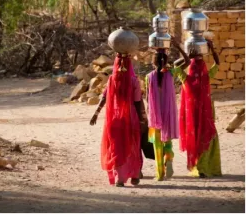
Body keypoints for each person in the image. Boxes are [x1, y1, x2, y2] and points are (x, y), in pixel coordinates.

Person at [90, 53, 143, 187]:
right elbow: (137, 102)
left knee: (117, 147)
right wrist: (142, 118)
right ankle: (134, 176)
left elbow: (104, 97)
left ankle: (120, 178)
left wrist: (96, 113)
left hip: (115, 119)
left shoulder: (112, 79)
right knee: (132, 146)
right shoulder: (134, 81)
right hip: (131, 118)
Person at [173, 39, 222, 178]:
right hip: (206, 115)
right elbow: (217, 63)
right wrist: (211, 48)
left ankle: (198, 167)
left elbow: (178, 67)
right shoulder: (206, 77)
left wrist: (184, 52)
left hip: (191, 118)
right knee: (208, 138)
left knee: (195, 140)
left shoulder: (185, 79)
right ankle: (205, 167)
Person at [145, 40, 188, 181]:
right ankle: (169, 159)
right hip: (169, 115)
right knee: (167, 142)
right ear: (166, 62)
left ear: (153, 63)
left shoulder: (148, 77)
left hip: (155, 116)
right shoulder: (171, 73)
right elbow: (187, 62)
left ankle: (159, 174)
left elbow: (147, 97)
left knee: (157, 146)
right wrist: (178, 46)